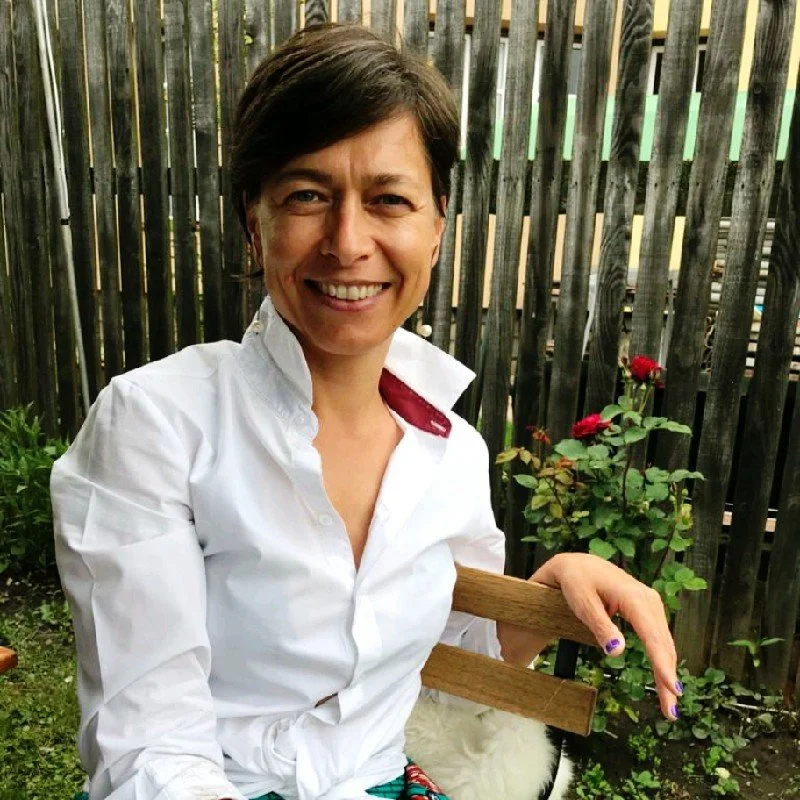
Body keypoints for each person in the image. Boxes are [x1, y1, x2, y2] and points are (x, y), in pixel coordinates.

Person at [52, 23, 681, 800]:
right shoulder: (155, 425)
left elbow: (457, 654)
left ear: (437, 227)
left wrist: (551, 584)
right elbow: (148, 745)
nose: (348, 242)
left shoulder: (451, 452)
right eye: (307, 196)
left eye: (389, 200)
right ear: (255, 222)